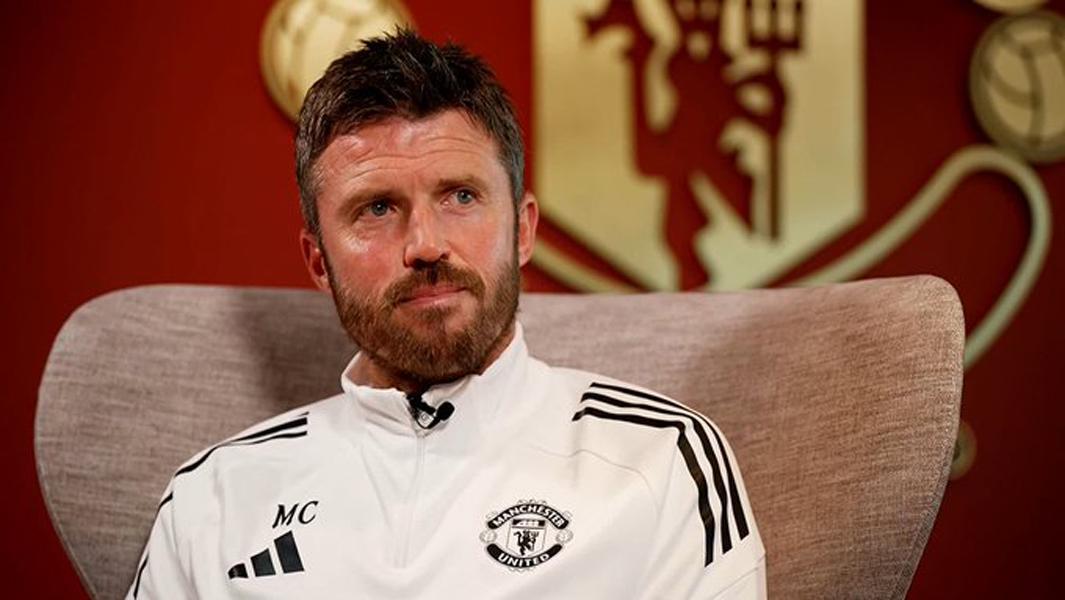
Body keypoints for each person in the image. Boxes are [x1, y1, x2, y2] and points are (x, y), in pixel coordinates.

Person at [127, 29, 765, 599]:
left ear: (522, 229)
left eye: (460, 196)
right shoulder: (213, 500)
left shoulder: (661, 459)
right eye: (377, 208)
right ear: (318, 261)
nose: (426, 245)